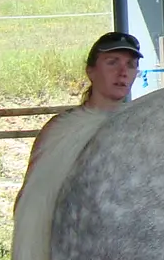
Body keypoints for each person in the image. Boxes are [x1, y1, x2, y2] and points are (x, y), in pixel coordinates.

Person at [24, 31, 139, 176]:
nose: (123, 72)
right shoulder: (61, 129)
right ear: (90, 71)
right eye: (112, 62)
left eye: (131, 65)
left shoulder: (137, 127)